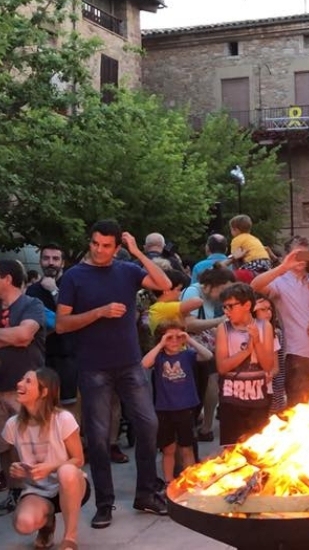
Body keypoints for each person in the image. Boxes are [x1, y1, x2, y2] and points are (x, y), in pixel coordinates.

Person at [56, 220, 172, 527]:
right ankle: (104, 504)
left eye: (106, 245)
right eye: (95, 243)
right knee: (97, 437)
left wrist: (138, 251)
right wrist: (98, 312)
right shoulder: (73, 277)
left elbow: (163, 284)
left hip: (130, 363)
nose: (99, 250)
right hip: (93, 367)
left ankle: (146, 493)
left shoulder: (127, 270)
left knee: (149, 425)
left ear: (116, 248)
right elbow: (61, 324)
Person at [2, 368, 89, 550]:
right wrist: (17, 468)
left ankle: (70, 538)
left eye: (28, 381)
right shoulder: (13, 424)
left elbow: (78, 460)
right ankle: (47, 523)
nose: (19, 384)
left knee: (66, 471)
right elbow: (18, 462)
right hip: (38, 491)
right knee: (23, 524)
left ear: (44, 392)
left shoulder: (63, 419)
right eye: (21, 379)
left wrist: (51, 467)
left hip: (70, 485)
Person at [251, 237, 309, 407]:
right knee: (299, 410)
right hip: (298, 357)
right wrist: (284, 267)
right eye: (296, 254)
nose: (301, 259)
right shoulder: (279, 282)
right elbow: (255, 285)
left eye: (305, 254)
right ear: (286, 255)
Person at [0, 259, 47, 515]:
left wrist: (15, 337)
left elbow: (23, 336)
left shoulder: (32, 305)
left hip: (26, 391)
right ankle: (16, 493)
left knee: (31, 446)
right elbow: (15, 337)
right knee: (7, 447)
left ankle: (42, 497)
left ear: (6, 278)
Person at [141, 321, 212, 485]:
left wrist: (189, 340)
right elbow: (144, 364)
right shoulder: (159, 357)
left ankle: (192, 480)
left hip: (186, 408)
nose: (174, 341)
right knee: (168, 448)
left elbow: (207, 355)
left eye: (178, 337)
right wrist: (161, 343)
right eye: (169, 338)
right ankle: (169, 481)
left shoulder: (187, 355)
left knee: (187, 447)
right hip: (165, 409)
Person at [215, 283, 276, 445]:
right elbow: (222, 367)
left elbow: (268, 365)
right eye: (224, 307)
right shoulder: (224, 328)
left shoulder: (265, 326)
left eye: (230, 307)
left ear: (247, 305)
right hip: (231, 398)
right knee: (231, 450)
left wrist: (256, 342)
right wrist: (247, 351)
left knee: (257, 451)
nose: (226, 312)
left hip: (258, 398)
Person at [181, 265, 235, 443]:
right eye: (222, 290)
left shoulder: (210, 299)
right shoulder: (192, 293)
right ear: (212, 284)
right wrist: (219, 321)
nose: (224, 296)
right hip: (191, 349)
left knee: (211, 384)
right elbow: (189, 324)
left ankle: (206, 426)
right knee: (205, 385)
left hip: (203, 349)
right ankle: (202, 425)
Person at [26, 245, 77, 413]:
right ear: (40, 261)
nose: (51, 263)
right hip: (42, 357)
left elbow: (74, 317)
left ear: (62, 263)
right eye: (46, 258)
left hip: (69, 356)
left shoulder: (71, 285)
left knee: (68, 407)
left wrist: (54, 291)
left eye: (55, 259)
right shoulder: (32, 290)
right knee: (42, 406)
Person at [253, 295, 287, 414]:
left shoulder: (274, 334)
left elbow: (276, 368)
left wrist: (267, 375)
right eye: (262, 309)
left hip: (268, 388)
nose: (268, 313)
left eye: (269, 309)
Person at [148, 269, 204, 333]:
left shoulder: (161, 307)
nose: (180, 293)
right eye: (178, 290)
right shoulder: (161, 307)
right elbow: (198, 302)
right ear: (166, 291)